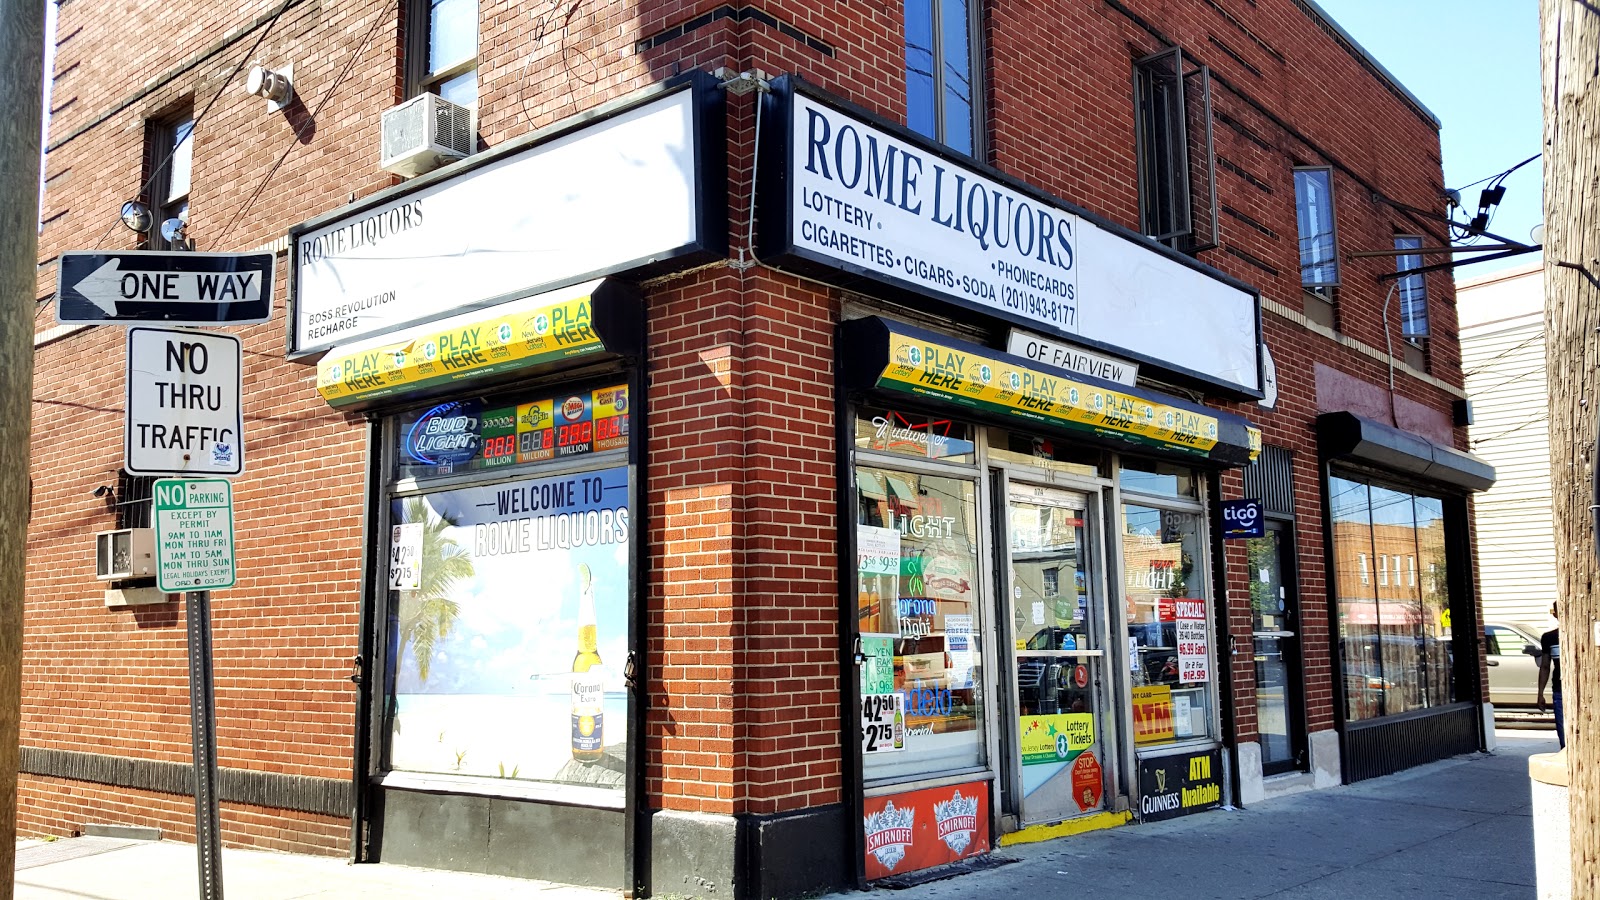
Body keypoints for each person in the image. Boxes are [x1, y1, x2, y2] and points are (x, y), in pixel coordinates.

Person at [1537, 602, 1564, 749]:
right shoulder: (1549, 637)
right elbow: (1545, 666)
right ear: (1555, 614)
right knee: (1563, 731)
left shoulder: (1583, 633)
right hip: (1559, 690)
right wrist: (1540, 693)